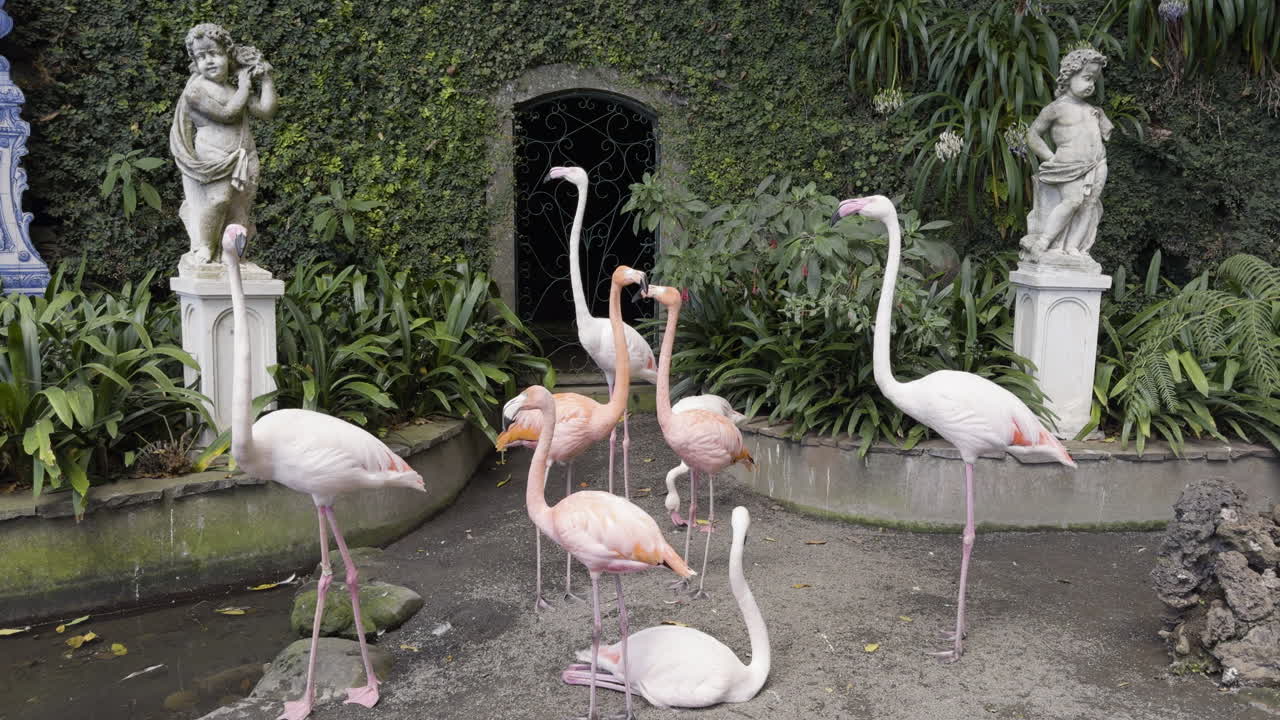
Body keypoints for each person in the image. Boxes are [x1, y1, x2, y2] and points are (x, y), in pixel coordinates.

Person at [170, 23, 277, 265]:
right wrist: (245, 85)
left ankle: (236, 257)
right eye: (201, 56)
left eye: (215, 54)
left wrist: (267, 78)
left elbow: (265, 110)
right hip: (213, 155)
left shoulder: (235, 89)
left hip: (245, 154)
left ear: (228, 56)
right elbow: (227, 113)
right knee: (218, 200)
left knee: (241, 208)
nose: (208, 61)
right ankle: (206, 247)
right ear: (194, 62)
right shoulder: (195, 91)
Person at [1023, 48, 1112, 259]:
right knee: (1072, 201)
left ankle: (1073, 248)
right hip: (1068, 165)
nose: (1091, 84)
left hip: (1098, 163)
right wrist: (1050, 157)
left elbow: (1103, 134)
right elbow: (1033, 135)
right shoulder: (1056, 108)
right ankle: (1044, 242)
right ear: (1069, 76)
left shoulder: (1094, 110)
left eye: (1094, 80)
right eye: (1087, 78)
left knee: (1088, 206)